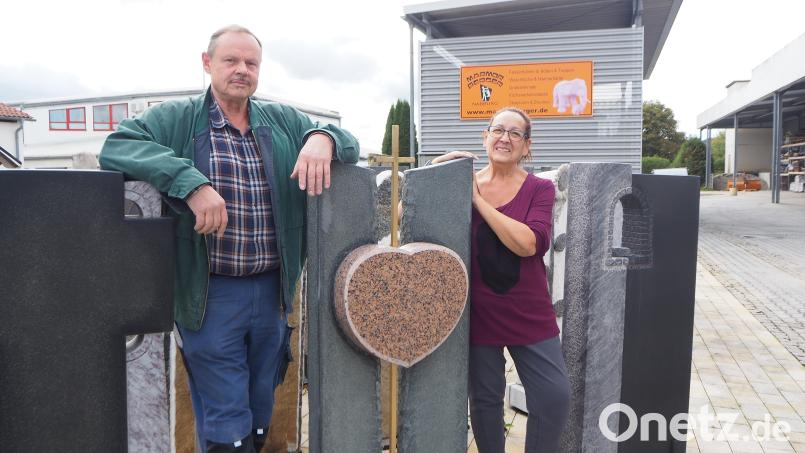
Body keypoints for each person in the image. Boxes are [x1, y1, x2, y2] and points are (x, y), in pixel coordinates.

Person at [100, 25, 359, 453]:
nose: (242, 70)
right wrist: (189, 183)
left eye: (251, 63)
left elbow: (349, 142)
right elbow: (118, 145)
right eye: (231, 61)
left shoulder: (282, 121)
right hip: (209, 293)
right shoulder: (179, 117)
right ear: (208, 64)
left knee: (259, 408)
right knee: (225, 412)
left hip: (273, 292)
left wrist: (321, 138)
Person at [430, 107, 570, 452]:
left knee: (554, 397)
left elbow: (529, 243)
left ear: (527, 146)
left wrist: (477, 202)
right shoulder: (460, 183)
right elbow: (406, 213)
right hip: (478, 313)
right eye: (497, 130)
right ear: (485, 137)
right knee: (485, 403)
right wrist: (434, 172)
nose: (504, 138)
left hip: (529, 311)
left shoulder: (539, 189)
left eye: (515, 133)